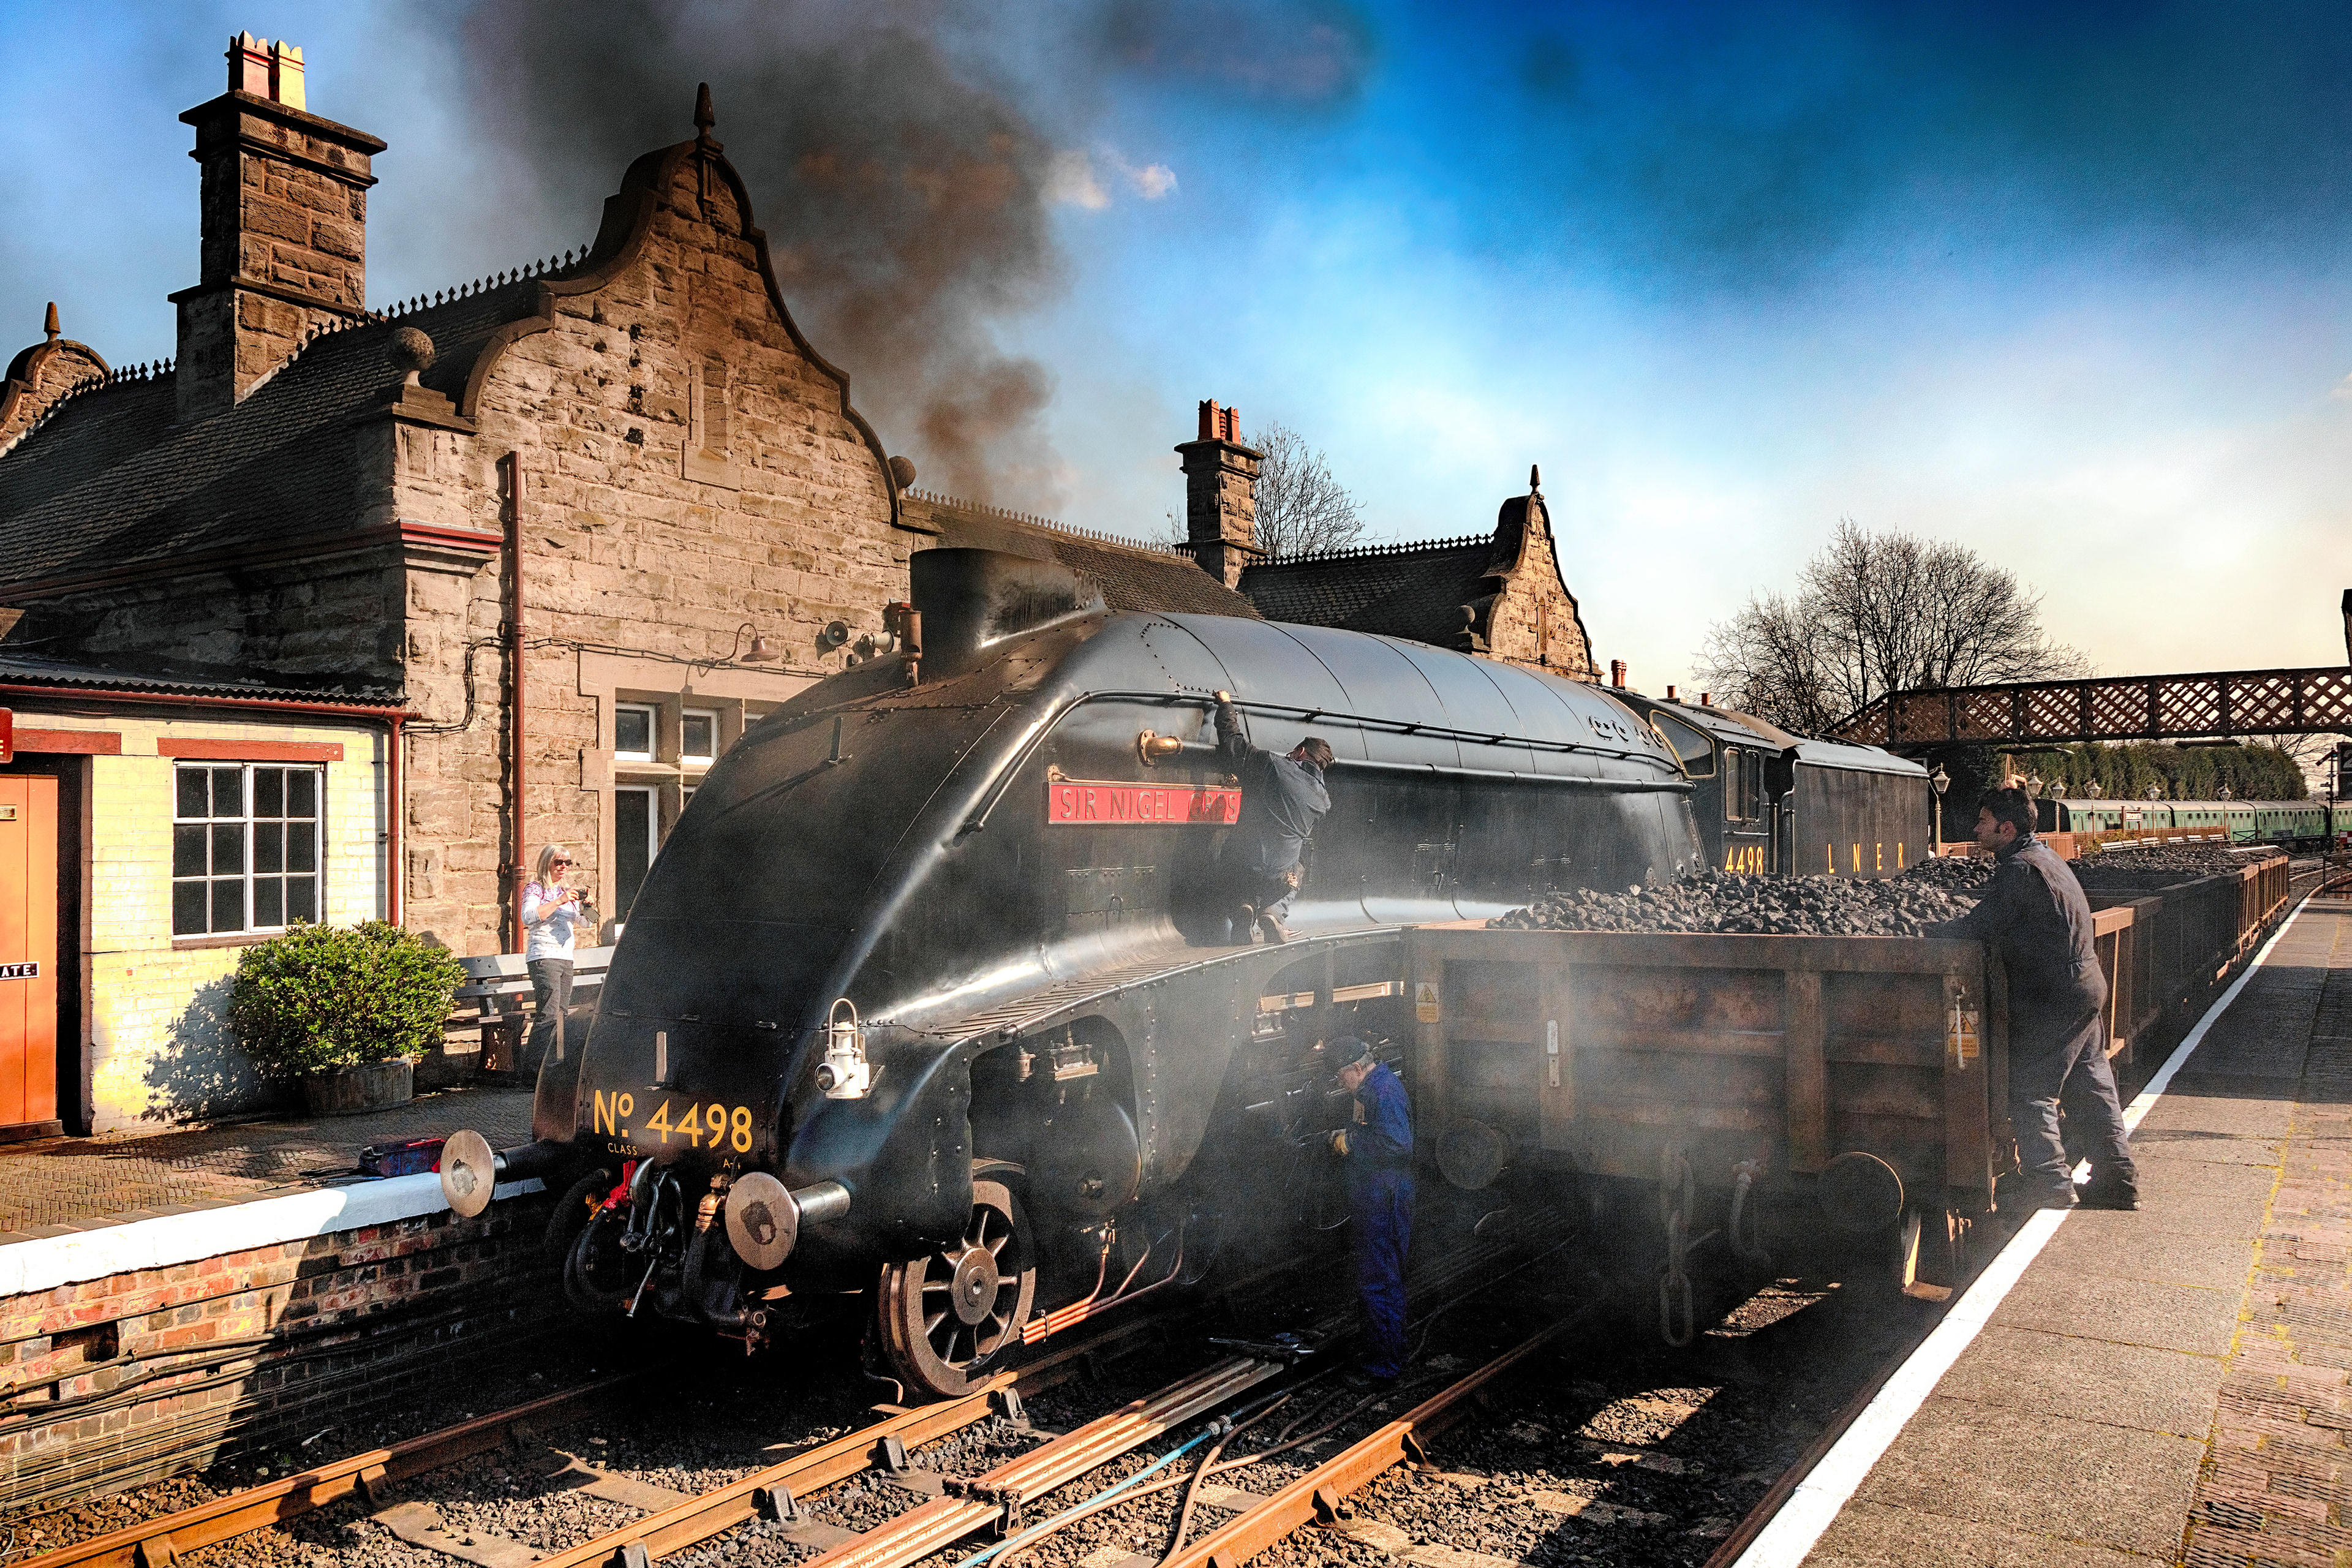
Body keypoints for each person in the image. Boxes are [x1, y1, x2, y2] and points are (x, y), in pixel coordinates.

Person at [1934, 787, 2138, 1210]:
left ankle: (2049, 1187)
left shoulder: (2020, 870)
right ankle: (2119, 1181)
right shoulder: (2047, 858)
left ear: (2006, 829)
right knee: (2092, 1084)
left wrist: (1933, 933)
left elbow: (1981, 926)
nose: (1976, 829)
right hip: (2084, 984)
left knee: (2031, 1090)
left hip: (2056, 994)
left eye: (1984, 821)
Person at [1326, 1036, 1414, 1382]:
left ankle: (1385, 1367)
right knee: (1377, 1278)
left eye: (1341, 1076)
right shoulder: (1372, 1088)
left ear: (1357, 1068)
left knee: (1381, 1281)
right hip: (1376, 1195)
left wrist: (1350, 1142)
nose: (1340, 1084)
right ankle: (1381, 1353)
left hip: (1385, 1197)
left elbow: (1398, 1144)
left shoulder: (1383, 1092)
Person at [1213, 690, 1333, 944]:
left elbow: (1234, 745)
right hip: (1279, 876)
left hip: (1243, 863)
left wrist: (1226, 705)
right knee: (1298, 866)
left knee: (1235, 853)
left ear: (1300, 751)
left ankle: (1243, 906)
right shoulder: (1323, 801)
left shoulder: (1273, 765)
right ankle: (1274, 912)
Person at [521, 844, 586, 1062]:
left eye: (567, 863)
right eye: (558, 862)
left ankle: (552, 1066)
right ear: (546, 863)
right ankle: (533, 1071)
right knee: (548, 1014)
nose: (563, 867)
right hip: (544, 956)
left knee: (561, 1014)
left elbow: (587, 923)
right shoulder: (536, 889)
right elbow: (528, 916)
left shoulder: (566, 891)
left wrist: (586, 906)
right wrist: (559, 901)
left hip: (566, 958)